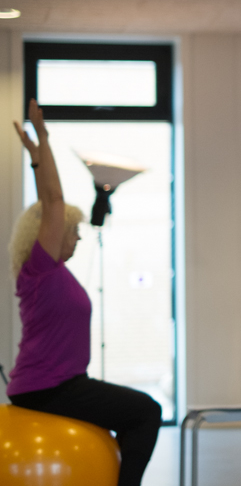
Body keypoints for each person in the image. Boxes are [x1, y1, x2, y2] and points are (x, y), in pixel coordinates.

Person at [8, 99, 162, 486]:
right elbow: (53, 202)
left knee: (134, 415)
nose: (76, 237)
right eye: (72, 231)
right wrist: (42, 140)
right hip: (49, 388)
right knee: (147, 412)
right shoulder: (40, 269)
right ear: (50, 234)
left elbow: (52, 204)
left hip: (60, 383)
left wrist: (36, 156)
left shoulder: (55, 274)